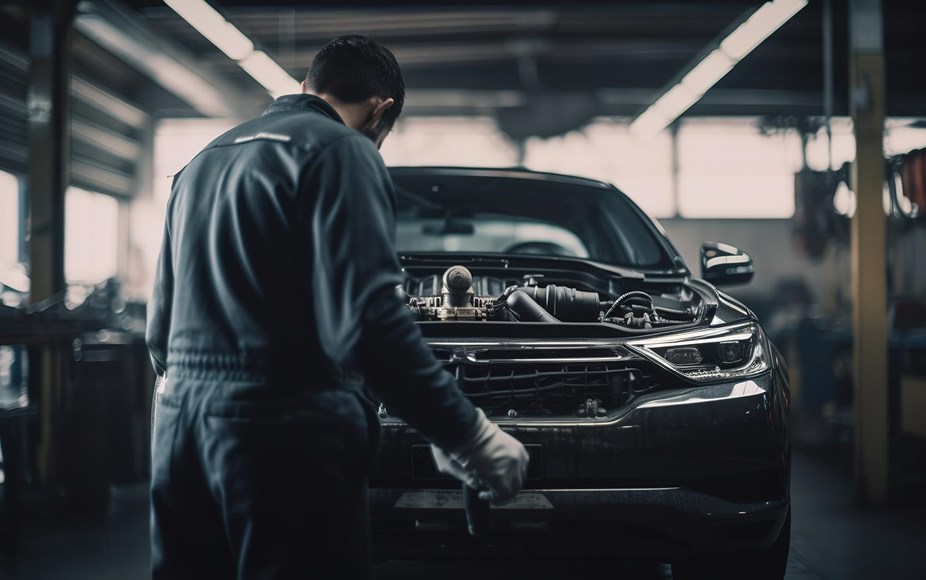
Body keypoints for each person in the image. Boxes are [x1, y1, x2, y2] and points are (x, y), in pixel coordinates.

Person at [146, 35, 528, 579]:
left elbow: (159, 330)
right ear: (382, 110)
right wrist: (465, 434)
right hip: (283, 435)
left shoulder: (200, 163)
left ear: (307, 87)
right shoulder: (341, 151)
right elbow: (370, 326)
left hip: (180, 428)